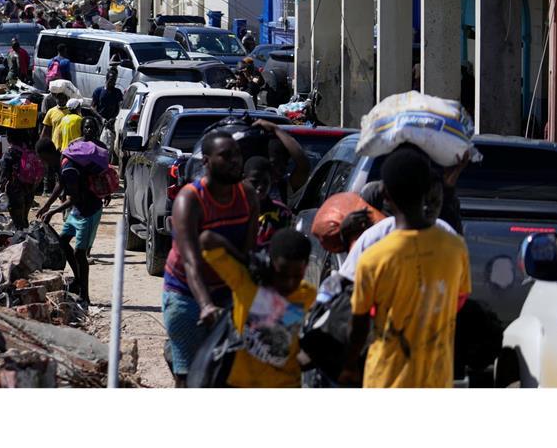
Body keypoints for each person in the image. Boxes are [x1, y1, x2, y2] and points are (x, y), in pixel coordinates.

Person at [339, 146, 471, 388]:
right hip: (436, 378)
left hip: (385, 378)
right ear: (427, 190)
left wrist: (348, 365)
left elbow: (358, 322)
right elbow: (458, 301)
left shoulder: (373, 256)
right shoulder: (455, 247)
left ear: (386, 196)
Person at [163, 131, 260, 387]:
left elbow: (247, 255)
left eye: (237, 155)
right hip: (187, 293)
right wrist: (205, 305)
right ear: (206, 161)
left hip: (228, 290)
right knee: (191, 377)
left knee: (231, 374)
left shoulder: (247, 195)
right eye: (226, 156)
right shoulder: (190, 199)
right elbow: (191, 262)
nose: (235, 162)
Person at [198, 227, 316, 387]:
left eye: (297, 276)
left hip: (286, 383)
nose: (289, 283)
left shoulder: (306, 294)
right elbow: (207, 238)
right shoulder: (245, 282)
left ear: (306, 266)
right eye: (282, 273)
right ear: (270, 262)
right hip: (242, 383)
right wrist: (247, 261)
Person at [37, 138, 106, 305]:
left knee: (79, 253)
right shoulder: (62, 162)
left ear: (48, 154)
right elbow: (60, 185)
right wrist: (46, 205)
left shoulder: (68, 168)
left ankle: (85, 295)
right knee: (62, 241)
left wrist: (52, 211)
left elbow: (73, 198)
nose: (43, 163)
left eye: (43, 159)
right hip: (78, 210)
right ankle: (77, 280)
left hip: (88, 211)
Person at [243, 157, 292, 247]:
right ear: (243, 180)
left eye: (265, 182)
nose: (260, 187)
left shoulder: (282, 213)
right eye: (254, 182)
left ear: (271, 182)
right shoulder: (233, 210)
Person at [0, 130, 41, 229]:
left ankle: (22, 241)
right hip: (29, 189)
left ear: (10, 138)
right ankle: (27, 239)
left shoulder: (10, 153)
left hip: (15, 191)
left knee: (17, 222)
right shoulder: (29, 150)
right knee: (24, 219)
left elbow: (4, 176)